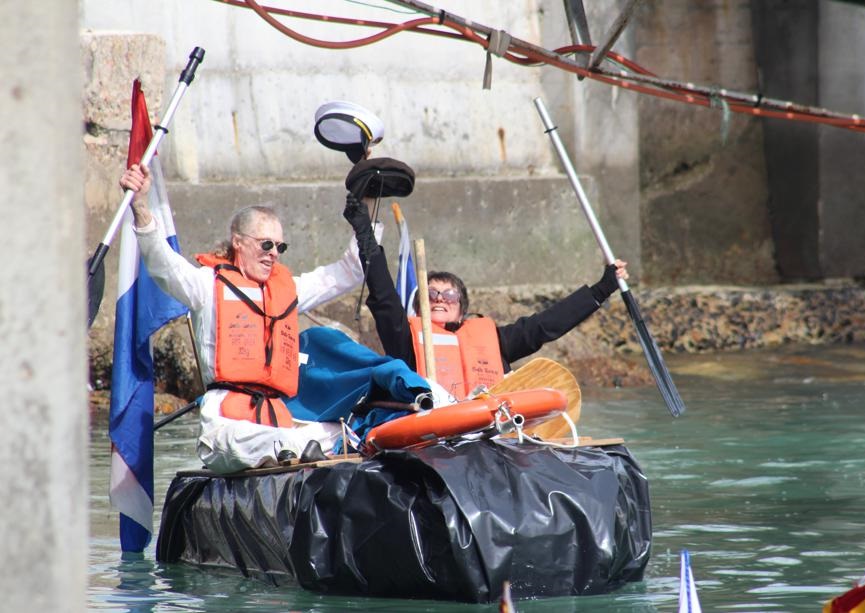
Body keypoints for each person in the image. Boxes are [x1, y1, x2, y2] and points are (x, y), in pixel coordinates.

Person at [120, 163, 376, 473]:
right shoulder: (206, 284)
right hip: (229, 422)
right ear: (238, 242)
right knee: (250, 440)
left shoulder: (287, 289)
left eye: (279, 246)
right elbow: (162, 263)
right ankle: (289, 450)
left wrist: (367, 210)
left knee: (349, 430)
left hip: (277, 417)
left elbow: (348, 273)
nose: (273, 253)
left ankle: (292, 449)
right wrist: (141, 206)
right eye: (266, 244)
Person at [343, 188, 629, 402]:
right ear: (418, 309)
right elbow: (383, 295)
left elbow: (545, 326)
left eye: (450, 295)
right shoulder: (404, 338)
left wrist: (602, 288)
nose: (440, 298)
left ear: (462, 309)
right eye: (431, 294)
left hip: (489, 428)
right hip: (433, 429)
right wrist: (364, 233)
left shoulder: (496, 340)